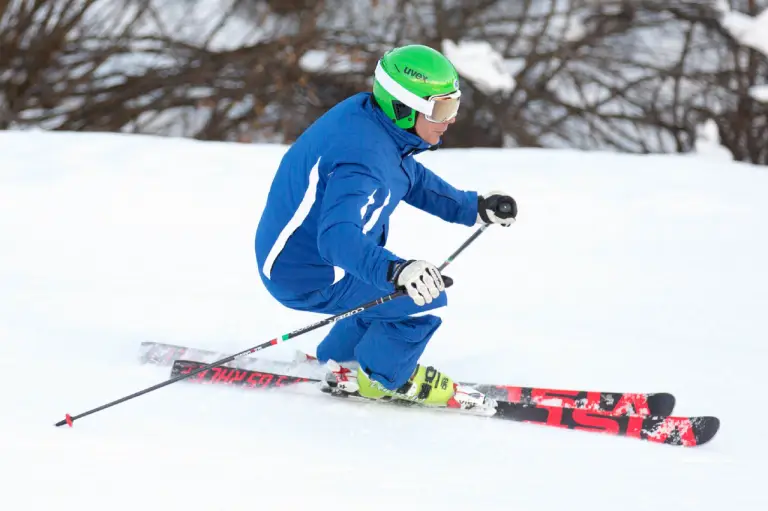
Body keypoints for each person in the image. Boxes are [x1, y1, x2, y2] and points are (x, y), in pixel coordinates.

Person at [254, 44, 516, 408]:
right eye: (442, 108)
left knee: (387, 286)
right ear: (405, 108)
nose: (451, 119)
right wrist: (396, 271)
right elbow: (336, 239)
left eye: (454, 105)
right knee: (419, 299)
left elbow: (409, 178)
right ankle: (382, 378)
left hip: (304, 257)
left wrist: (474, 208)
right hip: (307, 271)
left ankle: (342, 359)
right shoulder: (363, 158)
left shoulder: (378, 127)